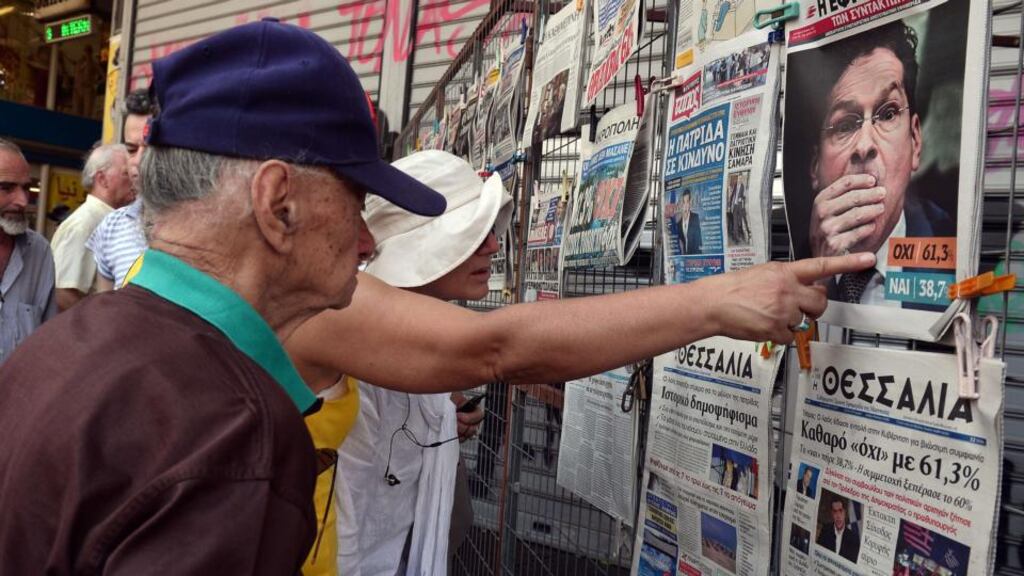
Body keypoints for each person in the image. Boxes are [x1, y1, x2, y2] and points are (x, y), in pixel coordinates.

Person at [0, 20, 447, 573]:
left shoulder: (60, 348)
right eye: (356, 199)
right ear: (278, 202)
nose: (366, 238)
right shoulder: (238, 432)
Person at [307, 150, 510, 576]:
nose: (493, 244)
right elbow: (342, 529)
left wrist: (438, 416)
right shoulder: (361, 359)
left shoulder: (416, 348)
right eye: (476, 231)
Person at [799, 21, 953, 305]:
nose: (865, 145)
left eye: (887, 114)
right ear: (814, 166)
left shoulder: (958, 256)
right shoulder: (793, 264)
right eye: (845, 124)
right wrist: (819, 275)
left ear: (915, 141)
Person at [86, 89, 156, 290]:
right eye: (132, 149)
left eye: (151, 147)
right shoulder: (111, 228)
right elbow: (105, 311)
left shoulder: (203, 226)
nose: (138, 160)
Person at [51, 144, 134, 310]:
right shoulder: (84, 225)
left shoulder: (112, 221)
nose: (134, 179)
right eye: (126, 174)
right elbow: (64, 294)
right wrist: (101, 325)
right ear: (102, 179)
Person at [0, 139, 56, 364]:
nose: (23, 201)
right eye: (6, 188)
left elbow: (48, 341)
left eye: (26, 187)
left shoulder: (39, 252)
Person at [816, 496, 861, 563]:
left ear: (845, 513)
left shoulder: (853, 538)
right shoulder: (825, 530)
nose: (838, 516)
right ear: (832, 514)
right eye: (835, 511)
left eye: (840, 511)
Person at [677, 188, 702, 255]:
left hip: (694, 258)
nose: (685, 205)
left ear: (690, 203)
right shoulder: (678, 224)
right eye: (683, 202)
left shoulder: (695, 218)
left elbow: (699, 242)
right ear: (680, 204)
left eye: (687, 201)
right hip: (684, 258)